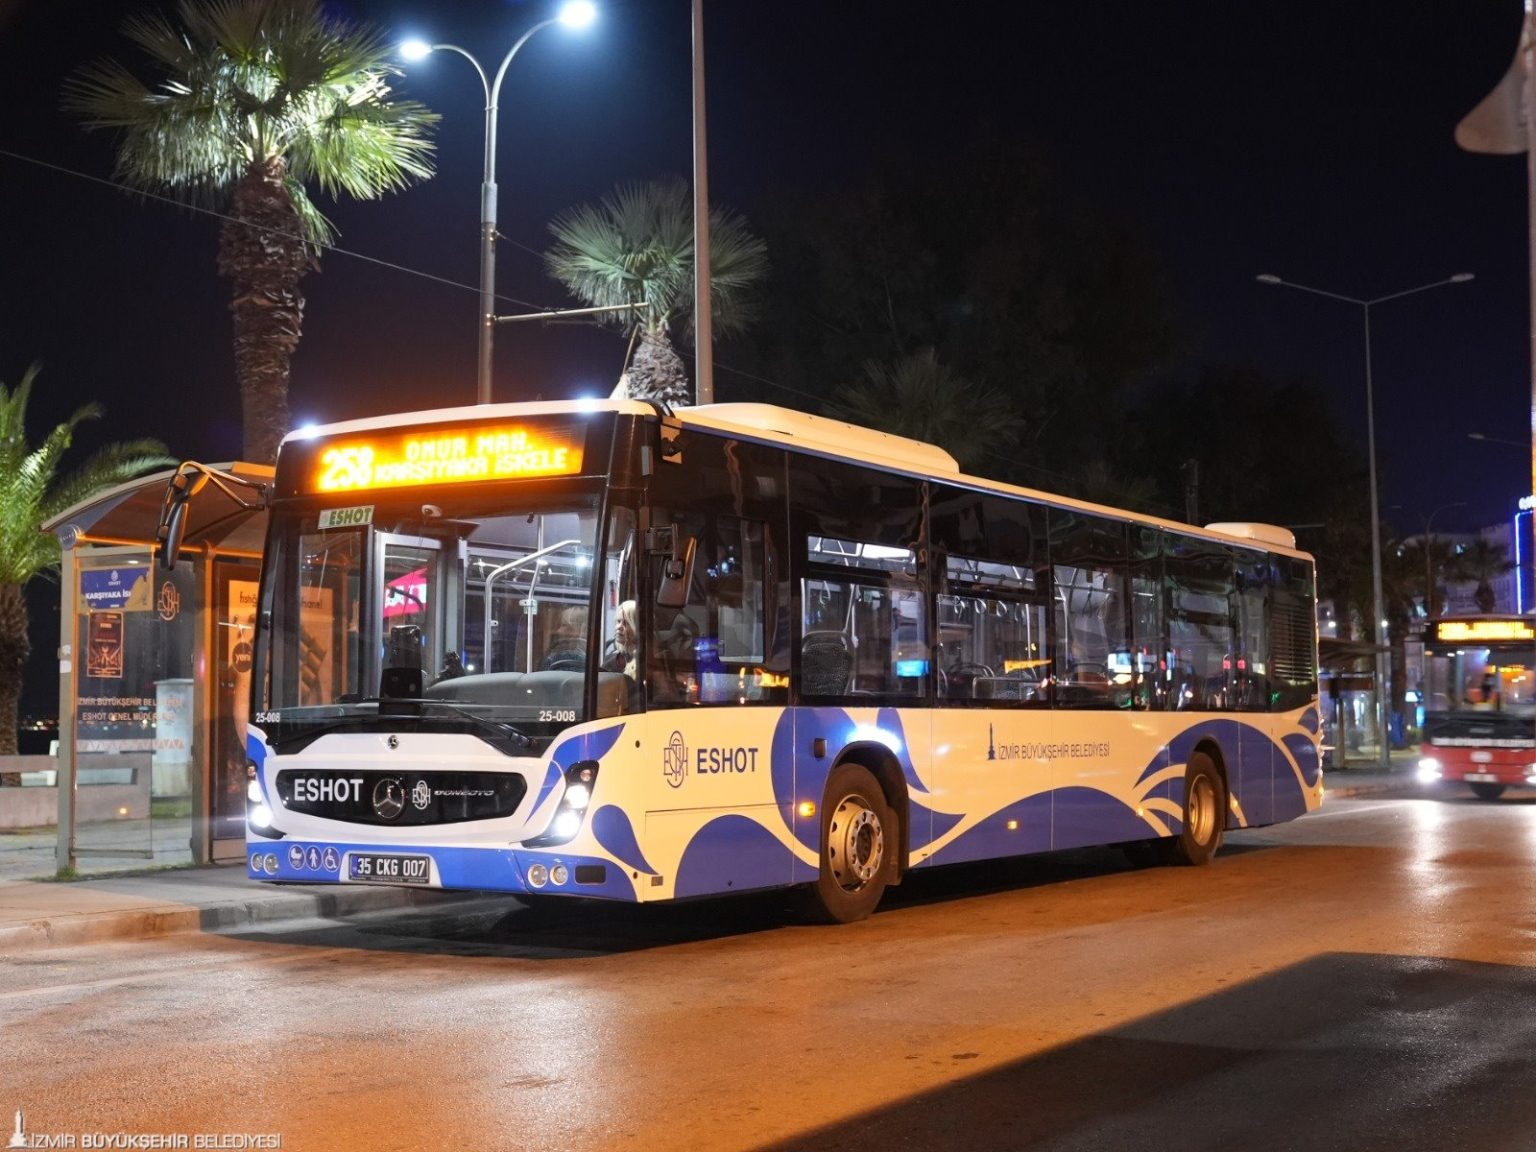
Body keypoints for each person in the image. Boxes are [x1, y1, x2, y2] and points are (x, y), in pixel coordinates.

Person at [605, 600, 639, 679]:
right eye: (618, 621)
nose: (619, 627)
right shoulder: (612, 658)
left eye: (626, 623)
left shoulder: (648, 660)